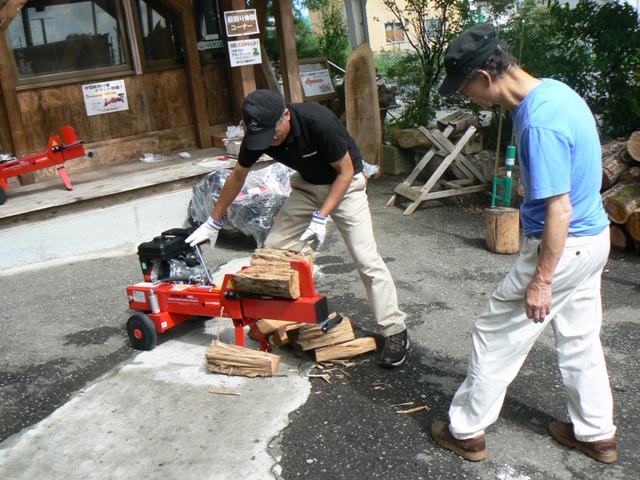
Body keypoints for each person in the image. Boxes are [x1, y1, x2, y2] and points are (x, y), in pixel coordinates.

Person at [431, 23, 617, 463]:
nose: (468, 98)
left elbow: (560, 211)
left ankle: (466, 431)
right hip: (594, 238)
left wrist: (542, 280)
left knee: (495, 334)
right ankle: (596, 434)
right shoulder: (554, 92)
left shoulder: (539, 122)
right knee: (580, 339)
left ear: (485, 77)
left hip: (564, 245)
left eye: (466, 88)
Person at [186, 89, 409, 368]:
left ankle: (394, 330)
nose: (270, 141)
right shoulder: (259, 133)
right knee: (274, 251)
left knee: (366, 258)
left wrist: (321, 217)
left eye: (273, 133)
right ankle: (284, 317)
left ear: (286, 115)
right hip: (307, 187)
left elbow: (346, 171)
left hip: (346, 186)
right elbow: (238, 175)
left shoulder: (319, 122)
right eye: (263, 136)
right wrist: (213, 221)